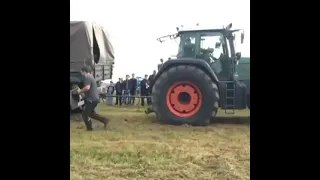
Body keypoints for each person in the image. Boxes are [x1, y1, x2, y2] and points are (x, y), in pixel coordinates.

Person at [77, 66, 110, 131]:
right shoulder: (91, 77)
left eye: (81, 72)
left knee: (85, 114)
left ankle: (89, 128)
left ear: (84, 71)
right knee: (91, 114)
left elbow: (87, 88)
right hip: (93, 99)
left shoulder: (87, 78)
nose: (81, 73)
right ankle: (105, 120)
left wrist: (80, 91)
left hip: (91, 100)